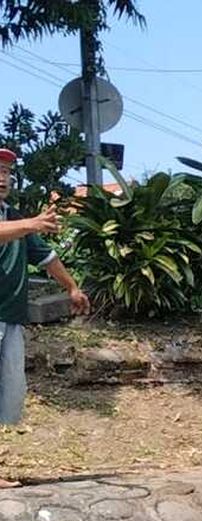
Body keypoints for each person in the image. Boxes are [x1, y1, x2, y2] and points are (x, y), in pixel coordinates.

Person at [0, 148, 91, 487]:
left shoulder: (16, 219)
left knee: (9, 393)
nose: (2, 178)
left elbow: (47, 256)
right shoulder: (20, 222)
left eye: (7, 172)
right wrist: (31, 223)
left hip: (10, 317)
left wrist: (72, 288)